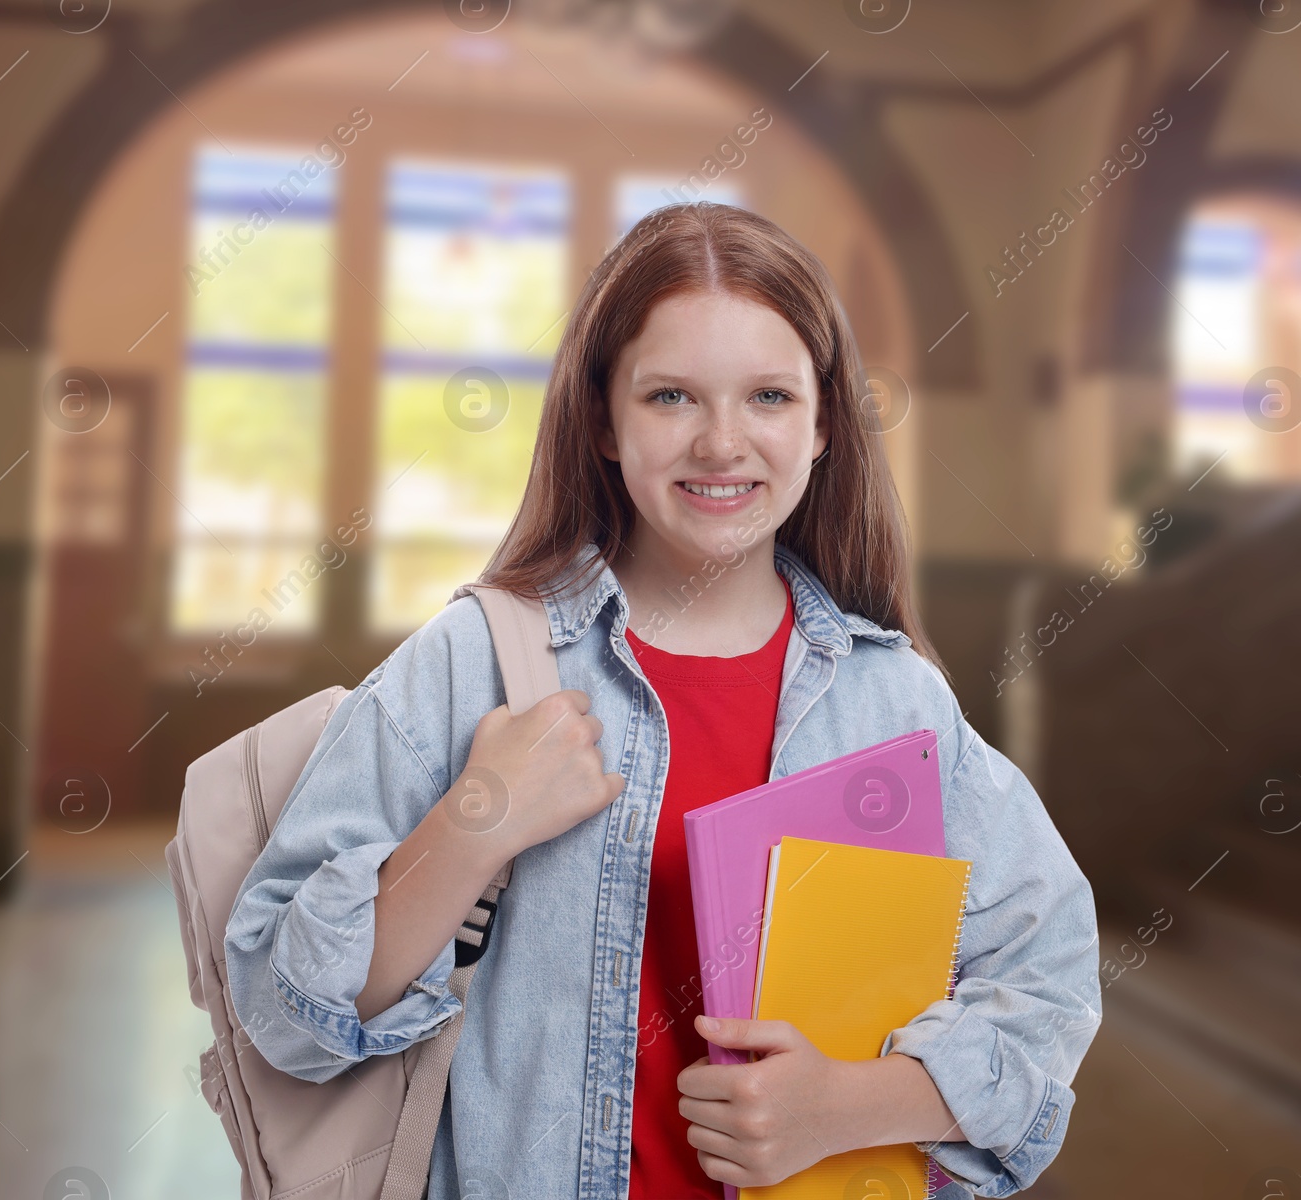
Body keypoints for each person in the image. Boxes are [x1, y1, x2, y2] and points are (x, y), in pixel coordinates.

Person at [224, 202, 1101, 1200]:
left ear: (821, 428)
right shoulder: (477, 662)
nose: (722, 443)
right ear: (602, 418)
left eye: (769, 396)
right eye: (672, 396)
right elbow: (280, 1013)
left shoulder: (895, 702)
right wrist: (472, 826)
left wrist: (853, 1106)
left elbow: (1048, 978)